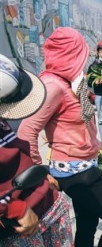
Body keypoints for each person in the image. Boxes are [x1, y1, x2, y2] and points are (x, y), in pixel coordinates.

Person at [18, 27, 102, 247]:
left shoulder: (71, 80)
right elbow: (26, 132)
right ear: (70, 53)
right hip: (74, 169)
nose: (84, 57)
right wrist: (41, 174)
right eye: (81, 52)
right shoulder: (53, 86)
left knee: (87, 222)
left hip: (84, 164)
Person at [0, 54, 73, 246]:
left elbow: (16, 154)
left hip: (49, 205)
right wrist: (15, 209)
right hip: (19, 228)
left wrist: (40, 172)